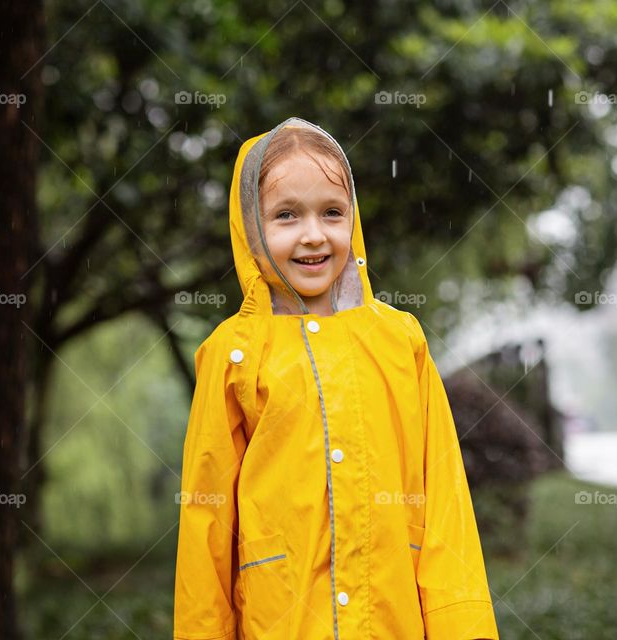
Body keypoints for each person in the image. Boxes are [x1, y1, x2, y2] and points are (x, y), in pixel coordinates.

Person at [173, 116, 499, 640]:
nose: (313, 236)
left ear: (354, 218)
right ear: (252, 228)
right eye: (285, 215)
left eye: (331, 212)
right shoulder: (231, 355)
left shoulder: (401, 341)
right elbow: (206, 527)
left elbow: (444, 506)